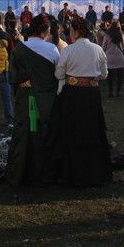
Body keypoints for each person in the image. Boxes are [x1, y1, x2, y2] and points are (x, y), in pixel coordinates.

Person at [50, 17, 111, 186]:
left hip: (72, 95)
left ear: (76, 31)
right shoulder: (98, 49)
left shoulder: (68, 50)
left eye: (71, 30)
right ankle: (94, 170)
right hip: (92, 95)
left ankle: (72, 172)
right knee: (92, 129)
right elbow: (104, 74)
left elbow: (58, 74)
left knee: (73, 130)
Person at [6, 14, 60, 186]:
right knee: (42, 132)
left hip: (26, 99)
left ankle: (21, 171)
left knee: (25, 132)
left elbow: (12, 77)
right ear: (46, 30)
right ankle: (44, 172)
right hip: (44, 100)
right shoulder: (52, 49)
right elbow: (58, 75)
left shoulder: (19, 49)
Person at [98, 21, 124, 98]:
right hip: (119, 57)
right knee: (120, 76)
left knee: (110, 77)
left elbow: (103, 47)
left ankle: (110, 92)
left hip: (109, 57)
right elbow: (123, 46)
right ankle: (118, 91)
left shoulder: (107, 35)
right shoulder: (121, 35)